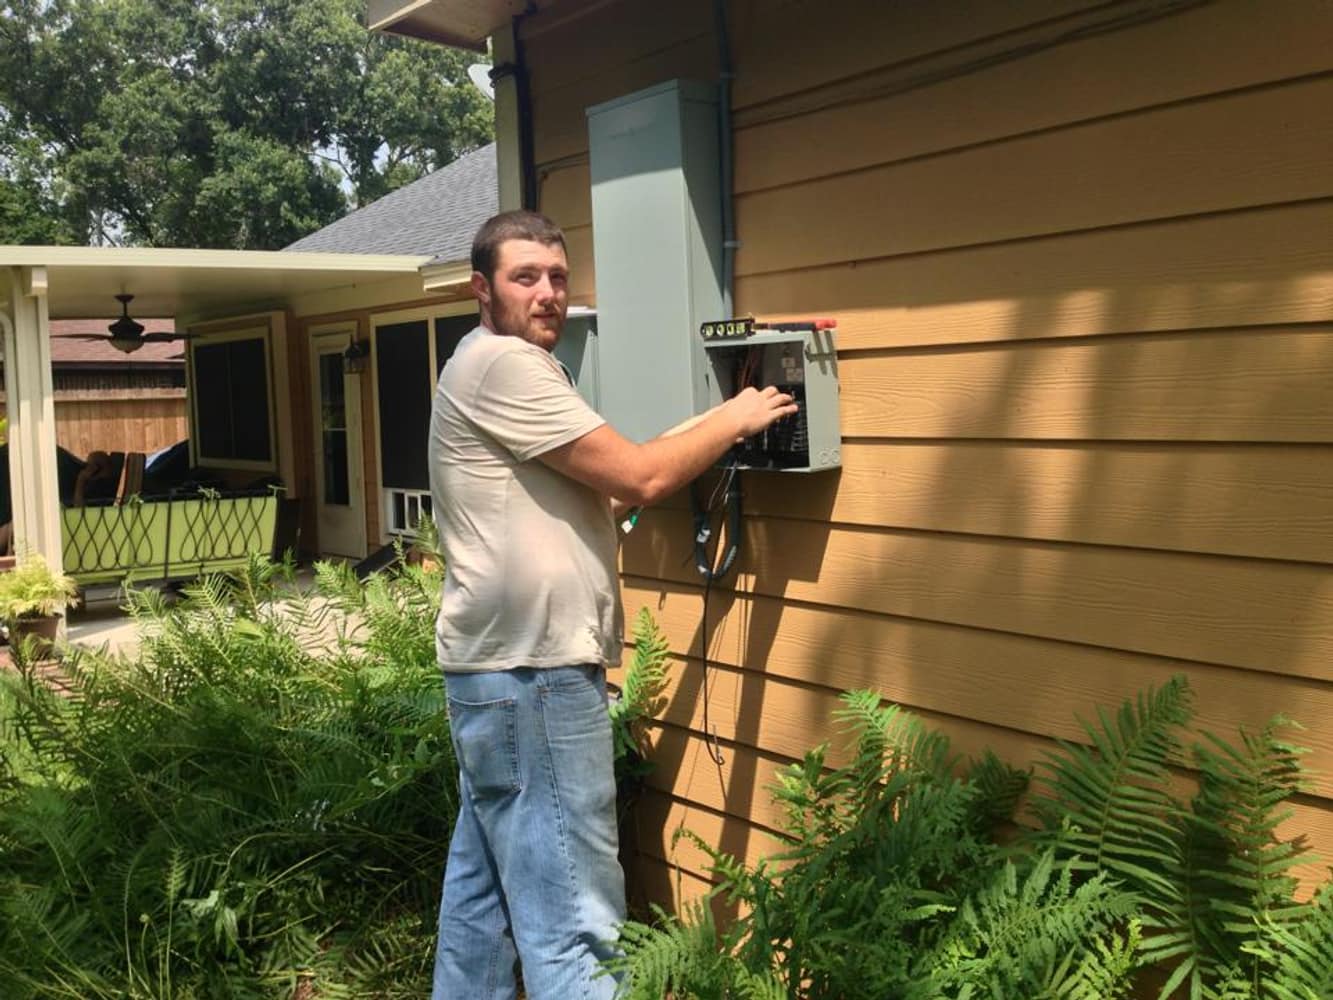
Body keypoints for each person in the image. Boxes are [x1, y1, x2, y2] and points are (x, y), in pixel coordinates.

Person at [428, 210, 797, 1000]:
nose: (548, 293)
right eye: (525, 276)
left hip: (493, 681)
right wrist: (738, 417)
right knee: (576, 927)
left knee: (482, 912)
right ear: (480, 289)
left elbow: (612, 472)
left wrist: (719, 420)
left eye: (558, 277)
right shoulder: (505, 367)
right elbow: (639, 477)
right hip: (535, 677)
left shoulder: (479, 364)